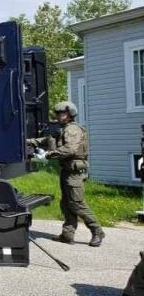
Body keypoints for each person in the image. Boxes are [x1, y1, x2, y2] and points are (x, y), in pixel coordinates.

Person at [28, 101, 104, 247]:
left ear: (70, 114)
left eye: (62, 114)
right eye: (58, 114)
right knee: (66, 204)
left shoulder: (73, 130)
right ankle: (67, 235)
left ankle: (97, 232)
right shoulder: (62, 129)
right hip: (67, 171)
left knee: (77, 204)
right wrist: (29, 142)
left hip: (75, 172)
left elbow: (70, 149)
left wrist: (49, 155)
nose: (59, 116)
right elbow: (46, 140)